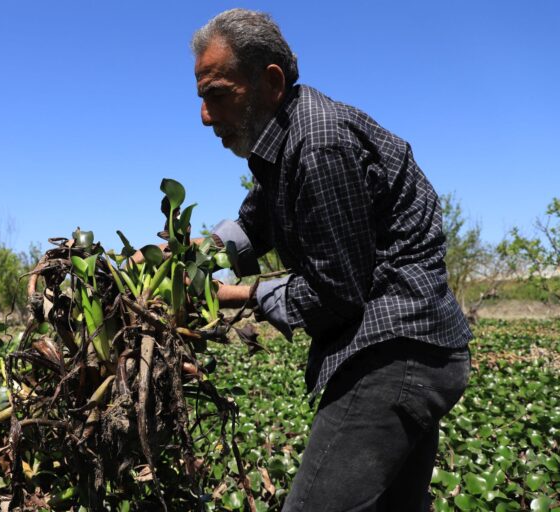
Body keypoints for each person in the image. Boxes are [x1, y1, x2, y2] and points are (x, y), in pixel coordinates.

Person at [191, 9, 472, 511]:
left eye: (217, 94)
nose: (206, 116)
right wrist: (186, 256)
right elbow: (254, 224)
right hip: (419, 351)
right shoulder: (283, 143)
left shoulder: (318, 143)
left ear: (270, 81)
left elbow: (336, 292)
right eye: (202, 98)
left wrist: (240, 294)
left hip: (397, 350)